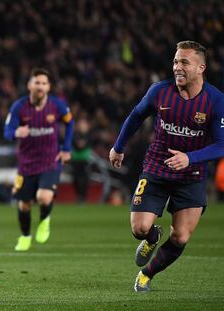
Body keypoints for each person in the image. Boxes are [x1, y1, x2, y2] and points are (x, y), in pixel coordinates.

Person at [109, 41, 224, 292]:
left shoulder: (216, 101)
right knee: (139, 229)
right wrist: (118, 146)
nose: (177, 67)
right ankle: (151, 237)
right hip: (156, 167)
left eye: (184, 62)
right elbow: (136, 116)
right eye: (175, 61)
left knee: (181, 237)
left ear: (201, 67)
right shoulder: (160, 91)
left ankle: (146, 275)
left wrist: (190, 158)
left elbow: (222, 145)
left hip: (191, 174)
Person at [4, 68, 74, 251]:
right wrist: (16, 132)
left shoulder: (57, 106)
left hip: (51, 160)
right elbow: (7, 131)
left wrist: (66, 148)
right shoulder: (19, 107)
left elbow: (70, 123)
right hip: (26, 163)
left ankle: (44, 219)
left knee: (43, 197)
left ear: (49, 86)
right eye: (37, 82)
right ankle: (25, 236)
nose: (40, 86)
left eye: (44, 83)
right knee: (24, 205)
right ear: (29, 85)